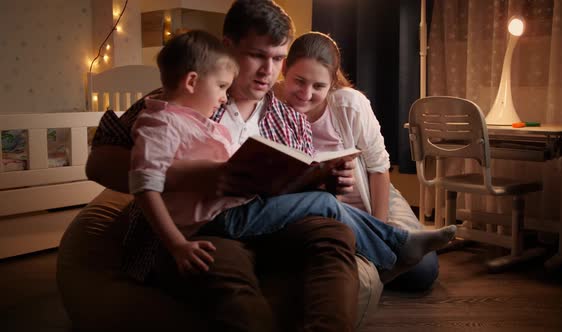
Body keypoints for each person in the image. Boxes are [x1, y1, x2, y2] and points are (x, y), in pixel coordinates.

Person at [87, 1, 362, 331]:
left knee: (334, 233)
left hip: (268, 224)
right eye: (257, 56)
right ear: (228, 48)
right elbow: (98, 163)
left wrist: (324, 182)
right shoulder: (182, 98)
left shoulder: (292, 120)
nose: (268, 71)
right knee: (223, 272)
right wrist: (195, 177)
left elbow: (293, 187)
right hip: (203, 230)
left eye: (277, 59)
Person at [275, 31, 442, 290]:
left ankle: (370, 255)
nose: (306, 94)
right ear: (284, 68)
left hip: (372, 195)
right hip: (325, 209)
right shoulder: (271, 106)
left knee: (423, 271)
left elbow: (378, 168)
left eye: (318, 86)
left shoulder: (350, 105)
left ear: (331, 82)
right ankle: (369, 261)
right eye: (299, 81)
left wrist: (379, 228)